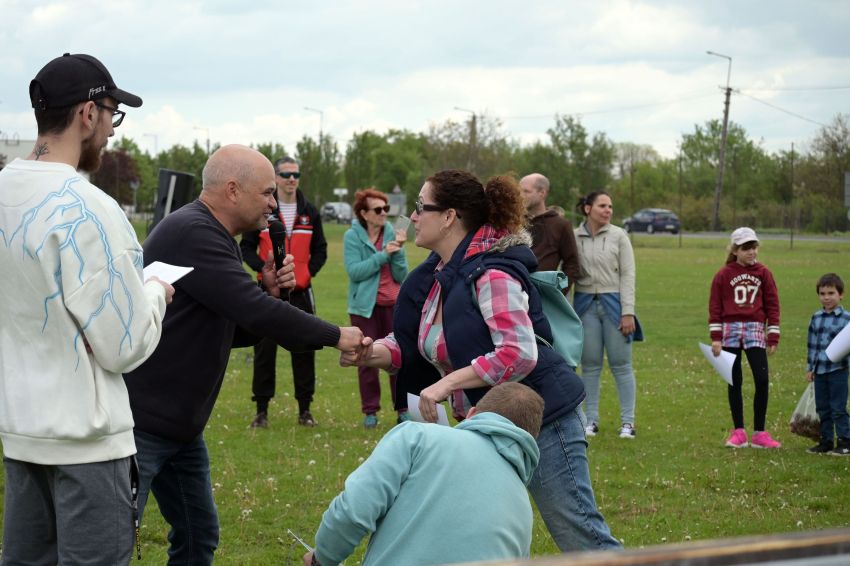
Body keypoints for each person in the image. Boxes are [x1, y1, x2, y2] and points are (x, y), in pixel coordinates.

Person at [342, 170, 620, 552]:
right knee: (466, 532)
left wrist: (448, 383)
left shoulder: (491, 272)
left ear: (449, 217)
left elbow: (518, 353)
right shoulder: (439, 275)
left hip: (542, 420)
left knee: (582, 539)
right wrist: (370, 354)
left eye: (422, 207)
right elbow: (425, 345)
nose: (413, 217)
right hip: (485, 428)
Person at [123, 144, 369, 564]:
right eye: (268, 193)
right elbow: (255, 312)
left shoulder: (215, 236)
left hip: (180, 427)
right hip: (142, 424)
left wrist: (268, 291)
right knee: (114, 543)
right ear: (233, 190)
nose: (275, 204)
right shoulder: (194, 232)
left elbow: (233, 327)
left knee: (199, 536)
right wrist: (335, 335)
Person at [0, 53, 174, 564]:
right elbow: (124, 345)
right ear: (87, 113)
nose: (112, 133)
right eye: (112, 116)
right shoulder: (89, 208)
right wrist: (155, 294)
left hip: (20, 432)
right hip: (87, 444)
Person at [302, 383, 544, 566]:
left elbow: (354, 510)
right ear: (528, 442)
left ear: (471, 415)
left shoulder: (419, 436)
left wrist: (321, 558)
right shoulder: (524, 507)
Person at [240, 156, 327, 428]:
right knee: (264, 351)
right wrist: (262, 271)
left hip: (300, 292)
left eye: (296, 174)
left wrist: (305, 273)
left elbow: (321, 250)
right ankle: (261, 411)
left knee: (304, 349)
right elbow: (246, 248)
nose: (292, 179)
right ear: (275, 177)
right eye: (286, 174)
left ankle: (305, 410)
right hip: (267, 292)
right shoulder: (263, 209)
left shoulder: (310, 212)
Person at [573, 190, 642, 439]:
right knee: (590, 367)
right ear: (587, 209)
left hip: (615, 306)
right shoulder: (573, 237)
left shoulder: (619, 236)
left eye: (610, 206)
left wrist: (628, 312)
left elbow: (628, 275)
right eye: (602, 206)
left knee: (622, 366)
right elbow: (568, 274)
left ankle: (628, 424)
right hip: (584, 307)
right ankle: (590, 421)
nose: (608, 210)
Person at [709, 227, 781, 449]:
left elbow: (772, 303)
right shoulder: (723, 274)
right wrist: (716, 337)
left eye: (754, 247)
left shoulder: (763, 273)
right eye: (746, 248)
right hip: (730, 330)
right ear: (735, 250)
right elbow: (715, 306)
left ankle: (760, 433)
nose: (752, 252)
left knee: (761, 379)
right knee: (734, 381)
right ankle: (738, 432)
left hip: (755, 330)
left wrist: (773, 334)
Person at [344, 189, 409, 428]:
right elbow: (355, 272)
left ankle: (402, 410)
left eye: (386, 209)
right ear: (364, 214)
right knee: (365, 360)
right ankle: (370, 412)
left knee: (399, 358)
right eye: (378, 209)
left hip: (394, 306)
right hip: (364, 309)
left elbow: (402, 274)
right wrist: (383, 255)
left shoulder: (391, 233)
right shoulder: (352, 236)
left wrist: (399, 250)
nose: (384, 213)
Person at [804, 273, 850, 455]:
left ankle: (845, 442)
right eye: (822, 294)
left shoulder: (847, 319)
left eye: (831, 293)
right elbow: (812, 345)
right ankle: (826, 441)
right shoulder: (816, 318)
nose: (827, 297)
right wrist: (810, 367)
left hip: (838, 370)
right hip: (820, 370)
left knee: (838, 407)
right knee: (823, 407)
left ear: (841, 294)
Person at [520, 173, 579, 295]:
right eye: (519, 191)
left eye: (526, 191)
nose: (521, 196)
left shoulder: (561, 224)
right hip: (515, 295)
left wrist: (558, 293)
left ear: (542, 193)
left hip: (544, 297)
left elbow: (572, 265)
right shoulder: (514, 222)